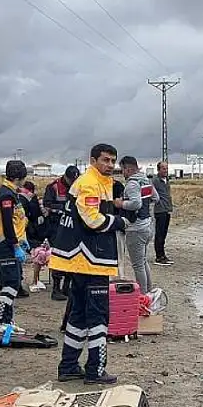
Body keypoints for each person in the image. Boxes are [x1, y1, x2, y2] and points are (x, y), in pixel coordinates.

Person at [51, 143, 128, 385]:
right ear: (93, 160)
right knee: (98, 316)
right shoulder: (89, 183)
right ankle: (95, 369)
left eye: (112, 161)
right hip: (90, 260)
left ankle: (69, 365)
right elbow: (92, 220)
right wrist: (119, 222)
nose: (110, 165)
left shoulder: (97, 182)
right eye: (105, 160)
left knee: (79, 315)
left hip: (81, 260)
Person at [0, 160, 30, 339]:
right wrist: (15, 245)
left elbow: (17, 220)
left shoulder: (10, 193)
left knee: (14, 282)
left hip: (12, 244)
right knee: (11, 283)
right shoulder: (6, 195)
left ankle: (7, 320)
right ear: (18, 177)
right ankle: (0, 321)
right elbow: (7, 223)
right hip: (5, 245)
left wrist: (22, 240)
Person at [119, 156, 159, 292]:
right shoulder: (146, 180)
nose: (122, 173)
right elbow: (156, 198)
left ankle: (142, 295)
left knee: (138, 265)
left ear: (128, 169)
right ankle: (148, 291)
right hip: (147, 226)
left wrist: (121, 204)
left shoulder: (132, 184)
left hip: (136, 229)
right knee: (143, 261)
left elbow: (136, 203)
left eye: (122, 169)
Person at [43, 165, 79, 300]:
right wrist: (63, 208)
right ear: (65, 177)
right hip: (56, 227)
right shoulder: (53, 187)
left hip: (72, 227)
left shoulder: (78, 186)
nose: (73, 183)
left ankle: (66, 287)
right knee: (58, 258)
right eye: (71, 181)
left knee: (71, 257)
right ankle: (56, 289)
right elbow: (47, 204)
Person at [152, 161, 174, 266]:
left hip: (167, 210)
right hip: (159, 211)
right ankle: (159, 257)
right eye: (163, 168)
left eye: (166, 168)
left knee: (164, 234)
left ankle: (163, 255)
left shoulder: (167, 180)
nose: (165, 170)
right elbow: (151, 194)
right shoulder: (155, 181)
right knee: (159, 234)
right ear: (159, 170)